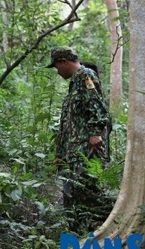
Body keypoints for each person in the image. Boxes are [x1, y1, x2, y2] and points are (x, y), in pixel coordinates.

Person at [46, 47, 112, 230]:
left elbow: (97, 106)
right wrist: (60, 153)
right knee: (71, 196)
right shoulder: (74, 83)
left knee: (87, 194)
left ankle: (104, 225)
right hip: (72, 152)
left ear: (64, 62)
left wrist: (95, 133)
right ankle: (77, 233)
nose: (58, 72)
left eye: (57, 67)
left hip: (85, 150)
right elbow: (69, 124)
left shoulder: (85, 76)